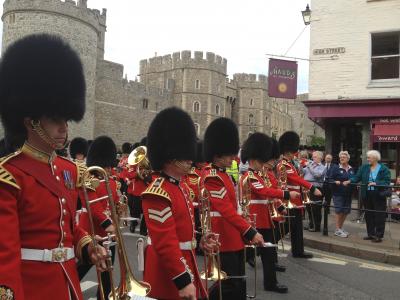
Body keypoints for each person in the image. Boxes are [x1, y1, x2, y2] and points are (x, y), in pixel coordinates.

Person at [0, 34, 107, 300]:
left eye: (66, 119)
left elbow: (67, 227)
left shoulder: (68, 170)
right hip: (33, 287)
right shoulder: (9, 175)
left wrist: (86, 245)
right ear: (31, 121)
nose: (64, 128)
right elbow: (5, 256)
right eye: (55, 120)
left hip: (67, 284)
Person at [142, 107, 214, 300]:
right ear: (170, 155)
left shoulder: (181, 187)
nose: (191, 158)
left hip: (185, 261)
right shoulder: (158, 192)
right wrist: (182, 279)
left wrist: (199, 240)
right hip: (167, 273)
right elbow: (165, 242)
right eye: (185, 153)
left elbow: (183, 227)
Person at [202, 118, 265, 300]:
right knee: (229, 283)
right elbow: (226, 210)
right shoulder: (212, 177)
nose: (234, 158)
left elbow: (235, 207)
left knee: (238, 282)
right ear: (217, 155)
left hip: (233, 234)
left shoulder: (223, 175)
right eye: (229, 154)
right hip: (223, 235)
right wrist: (250, 231)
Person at [240, 132, 298, 293]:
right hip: (254, 219)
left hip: (264, 218)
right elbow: (265, 191)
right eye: (261, 160)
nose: (263, 163)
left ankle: (270, 283)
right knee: (247, 252)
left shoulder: (259, 175)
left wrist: (280, 208)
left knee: (269, 252)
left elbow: (269, 194)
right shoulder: (249, 176)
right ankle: (234, 279)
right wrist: (286, 195)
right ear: (253, 160)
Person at [77, 136, 119, 299]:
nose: (109, 168)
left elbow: (113, 205)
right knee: (82, 267)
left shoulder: (111, 181)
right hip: (92, 232)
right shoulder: (88, 180)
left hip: (109, 234)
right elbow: (93, 207)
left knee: (107, 271)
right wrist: (108, 223)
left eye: (110, 165)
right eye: (106, 165)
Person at [276, 131, 322, 258]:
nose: (295, 153)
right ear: (289, 151)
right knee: (286, 226)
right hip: (289, 200)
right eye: (294, 151)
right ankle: (262, 247)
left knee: (296, 227)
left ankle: (298, 250)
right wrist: (312, 187)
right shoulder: (284, 164)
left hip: (295, 199)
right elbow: (296, 179)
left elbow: (297, 178)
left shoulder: (290, 163)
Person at [345, 150, 391, 243]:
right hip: (366, 194)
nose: (367, 159)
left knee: (379, 215)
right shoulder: (364, 167)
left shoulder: (384, 168)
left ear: (375, 158)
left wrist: (376, 183)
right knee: (369, 215)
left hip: (378, 195)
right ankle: (371, 234)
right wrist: (350, 181)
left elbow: (386, 182)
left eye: (369, 157)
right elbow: (357, 177)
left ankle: (378, 235)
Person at [330, 151, 354, 238]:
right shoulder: (335, 168)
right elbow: (329, 178)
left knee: (345, 211)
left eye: (344, 157)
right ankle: (337, 229)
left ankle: (340, 228)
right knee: (339, 210)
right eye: (341, 157)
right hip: (338, 193)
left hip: (348, 193)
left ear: (348, 159)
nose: (342, 158)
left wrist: (351, 181)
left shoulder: (351, 169)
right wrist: (334, 181)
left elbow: (354, 178)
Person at [302, 151, 326, 232]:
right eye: (313, 156)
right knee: (308, 207)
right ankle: (311, 224)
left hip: (316, 188)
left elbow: (317, 175)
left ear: (320, 158)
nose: (313, 158)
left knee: (316, 208)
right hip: (307, 188)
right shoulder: (310, 165)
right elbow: (302, 172)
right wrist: (300, 165)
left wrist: (309, 166)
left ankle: (317, 226)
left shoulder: (323, 167)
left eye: (315, 156)